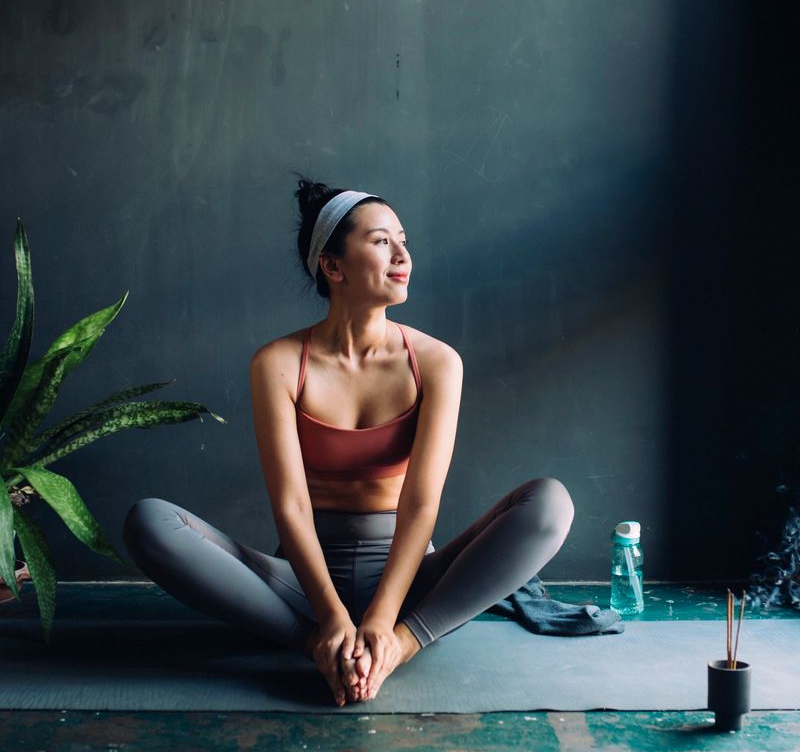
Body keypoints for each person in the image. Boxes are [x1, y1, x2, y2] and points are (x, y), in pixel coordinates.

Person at [122, 180, 576, 707]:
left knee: (549, 503)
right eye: (382, 241)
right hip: (302, 586)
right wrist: (332, 621)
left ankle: (402, 647)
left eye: (403, 240)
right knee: (148, 521)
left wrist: (387, 625)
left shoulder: (436, 362)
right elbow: (290, 506)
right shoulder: (277, 363)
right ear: (332, 267)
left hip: (412, 585)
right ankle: (319, 645)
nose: (403, 255)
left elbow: (421, 502)